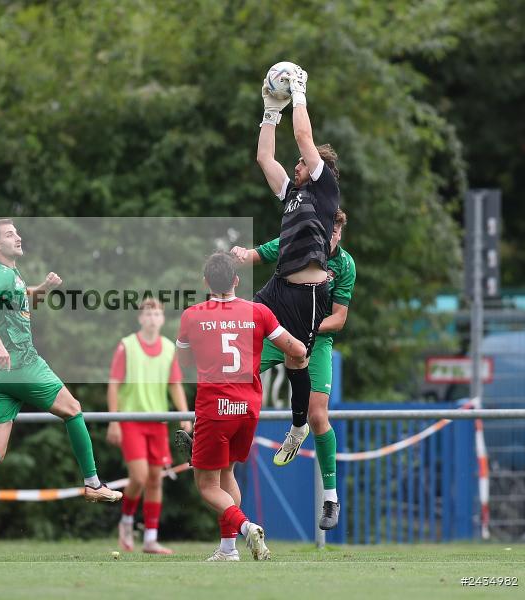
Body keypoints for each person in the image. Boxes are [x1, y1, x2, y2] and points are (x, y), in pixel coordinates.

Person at [0, 218, 122, 543]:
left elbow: (17, 297)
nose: (18, 236)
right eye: (9, 234)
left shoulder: (4, 274)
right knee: (73, 409)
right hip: (22, 365)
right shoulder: (1, 274)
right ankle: (93, 482)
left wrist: (41, 290)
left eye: (16, 232)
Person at [176, 252, 305, 561]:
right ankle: (228, 549)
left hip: (214, 407)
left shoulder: (192, 315)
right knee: (227, 473)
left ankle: (246, 529)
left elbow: (182, 365)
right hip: (247, 408)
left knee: (207, 486)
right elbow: (297, 350)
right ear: (236, 280)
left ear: (206, 282)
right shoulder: (259, 312)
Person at [232, 209, 356, 529]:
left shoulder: (344, 265)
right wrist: (234, 257)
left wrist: (309, 328)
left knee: (318, 415)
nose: (329, 236)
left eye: (335, 232)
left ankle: (330, 498)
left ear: (339, 233)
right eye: (326, 230)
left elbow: (339, 318)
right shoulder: (295, 241)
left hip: (317, 339)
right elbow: (259, 253)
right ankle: (212, 438)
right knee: (233, 374)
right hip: (278, 333)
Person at [251, 63, 341, 466]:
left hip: (308, 293)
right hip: (277, 288)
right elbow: (264, 157)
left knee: (297, 359)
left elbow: (304, 136)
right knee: (240, 337)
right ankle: (214, 415)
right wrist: (270, 111)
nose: (296, 166)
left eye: (301, 164)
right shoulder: (291, 192)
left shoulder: (324, 190)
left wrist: (299, 93)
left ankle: (299, 425)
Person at [106, 298, 191, 555]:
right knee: (140, 476)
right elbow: (113, 384)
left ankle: (151, 539)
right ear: (140, 318)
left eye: (157, 314)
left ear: (162, 319)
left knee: (155, 480)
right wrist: (113, 420)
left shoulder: (168, 348)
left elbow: (174, 384)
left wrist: (185, 414)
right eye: (148, 314)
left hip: (158, 422)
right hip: (130, 421)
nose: (152, 318)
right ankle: (127, 521)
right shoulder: (127, 346)